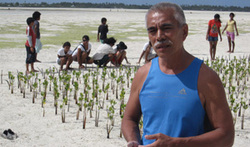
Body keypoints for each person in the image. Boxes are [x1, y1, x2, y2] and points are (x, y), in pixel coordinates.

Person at [122, 2, 234, 147]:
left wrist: (177, 143)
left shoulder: (206, 78)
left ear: (184, 31)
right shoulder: (143, 74)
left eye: (166, 28)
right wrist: (133, 141)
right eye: (152, 31)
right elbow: (129, 119)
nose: (159, 36)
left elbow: (226, 136)